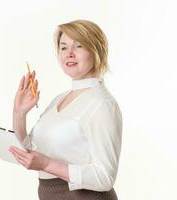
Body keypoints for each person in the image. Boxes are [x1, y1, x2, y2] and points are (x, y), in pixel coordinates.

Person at [9, 19, 122, 200]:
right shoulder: (59, 99)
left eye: (78, 46)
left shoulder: (101, 103)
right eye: (63, 47)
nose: (69, 53)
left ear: (96, 51)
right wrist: (19, 113)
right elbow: (32, 151)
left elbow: (105, 177)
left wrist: (46, 164)